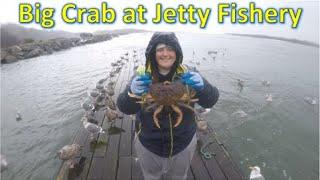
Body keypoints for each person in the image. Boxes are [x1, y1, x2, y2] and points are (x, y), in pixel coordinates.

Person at [117, 32, 219, 180]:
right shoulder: (142, 76)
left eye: (170, 48)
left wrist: (204, 87)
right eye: (160, 49)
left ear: (177, 52)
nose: (165, 53)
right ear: (153, 52)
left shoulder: (189, 73)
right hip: (149, 145)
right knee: (151, 176)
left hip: (183, 144)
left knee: (179, 176)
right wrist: (131, 92)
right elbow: (125, 107)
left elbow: (210, 101)